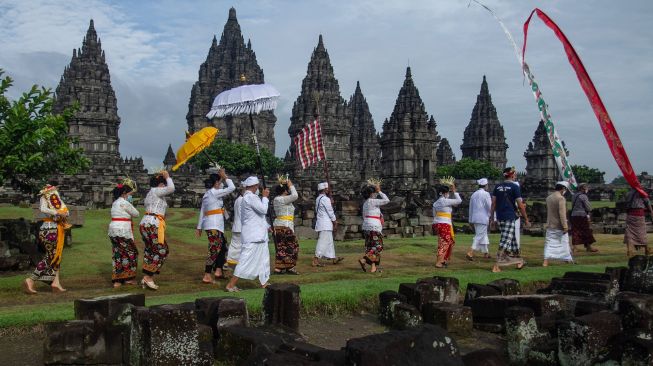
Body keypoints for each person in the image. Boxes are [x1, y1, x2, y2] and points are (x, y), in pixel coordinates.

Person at [225, 176, 271, 292]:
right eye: (257, 186)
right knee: (245, 260)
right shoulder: (251, 197)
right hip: (253, 235)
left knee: (263, 259)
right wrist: (265, 198)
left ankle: (264, 282)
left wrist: (267, 226)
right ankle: (231, 284)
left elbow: (258, 217)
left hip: (258, 234)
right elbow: (263, 210)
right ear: (255, 186)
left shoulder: (249, 197)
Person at [23, 183, 70, 294]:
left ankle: (56, 283)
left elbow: (66, 212)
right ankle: (30, 280)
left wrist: (62, 213)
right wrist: (56, 212)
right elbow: (43, 209)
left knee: (56, 256)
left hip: (57, 228)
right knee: (51, 257)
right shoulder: (44, 197)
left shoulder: (57, 198)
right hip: (49, 229)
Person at [196, 167, 235, 284]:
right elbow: (232, 188)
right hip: (214, 225)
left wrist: (199, 227)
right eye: (219, 182)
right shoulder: (214, 193)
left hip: (215, 225)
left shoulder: (208, 194)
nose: (221, 184)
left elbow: (202, 211)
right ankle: (207, 274)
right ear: (216, 183)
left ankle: (218, 270)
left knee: (223, 247)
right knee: (214, 249)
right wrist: (225, 176)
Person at [139, 170, 174, 290]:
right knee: (162, 250)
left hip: (147, 223)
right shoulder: (156, 190)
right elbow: (171, 188)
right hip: (152, 224)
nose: (164, 186)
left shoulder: (151, 193)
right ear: (160, 184)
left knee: (151, 250)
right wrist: (168, 177)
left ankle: (147, 276)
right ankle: (148, 277)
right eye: (163, 184)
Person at [490, 167, 530, 272]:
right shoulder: (514, 187)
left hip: (499, 216)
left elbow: (493, 204)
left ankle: (519, 260)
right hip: (509, 216)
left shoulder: (497, 187)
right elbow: (521, 205)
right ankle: (497, 264)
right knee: (506, 239)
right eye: (515, 174)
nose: (515, 176)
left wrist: (492, 219)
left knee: (511, 238)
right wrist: (526, 219)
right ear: (512, 175)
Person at [108, 178, 139, 288]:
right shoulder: (125, 203)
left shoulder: (115, 203)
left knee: (117, 254)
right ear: (124, 193)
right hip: (123, 230)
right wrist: (130, 202)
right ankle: (128, 278)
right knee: (131, 253)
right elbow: (136, 214)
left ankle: (117, 280)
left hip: (113, 230)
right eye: (128, 193)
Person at [358, 182, 390, 273]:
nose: (376, 194)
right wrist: (380, 191)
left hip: (367, 226)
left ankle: (373, 267)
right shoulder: (373, 201)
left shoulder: (365, 204)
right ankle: (364, 259)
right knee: (378, 247)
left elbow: (364, 216)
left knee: (370, 247)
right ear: (371, 194)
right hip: (374, 226)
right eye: (375, 192)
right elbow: (387, 200)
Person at [272, 176, 300, 275]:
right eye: (287, 189)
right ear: (284, 190)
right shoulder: (280, 199)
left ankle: (280, 268)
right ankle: (289, 267)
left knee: (282, 247)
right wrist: (290, 185)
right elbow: (295, 195)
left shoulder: (281, 199)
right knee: (292, 246)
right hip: (284, 226)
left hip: (282, 225)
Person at [543, 181, 574, 266]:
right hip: (559, 225)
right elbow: (562, 214)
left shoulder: (548, 198)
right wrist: (565, 226)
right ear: (563, 188)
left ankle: (546, 261)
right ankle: (567, 259)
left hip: (550, 224)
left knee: (549, 243)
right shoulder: (561, 198)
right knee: (564, 243)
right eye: (565, 189)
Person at [432, 183, 462, 268]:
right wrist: (455, 192)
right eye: (447, 192)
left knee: (446, 242)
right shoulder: (445, 201)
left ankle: (443, 260)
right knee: (444, 243)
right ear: (444, 193)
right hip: (444, 224)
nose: (448, 194)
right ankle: (438, 262)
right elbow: (459, 201)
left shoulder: (436, 203)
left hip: (438, 223)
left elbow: (434, 215)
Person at [313, 182, 343, 267]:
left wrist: (330, 201)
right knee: (323, 241)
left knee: (329, 242)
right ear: (325, 189)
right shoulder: (325, 199)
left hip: (322, 222)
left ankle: (334, 258)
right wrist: (334, 221)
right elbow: (330, 211)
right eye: (327, 189)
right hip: (325, 223)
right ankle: (315, 259)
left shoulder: (318, 198)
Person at [466, 178, 492, 261]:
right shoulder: (486, 194)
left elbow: (470, 208)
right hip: (483, 217)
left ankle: (486, 253)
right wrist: (492, 216)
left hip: (475, 217)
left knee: (483, 235)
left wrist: (470, 219)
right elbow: (490, 206)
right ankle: (470, 251)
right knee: (479, 235)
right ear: (486, 185)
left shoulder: (474, 194)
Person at [623, 187, 653, 257]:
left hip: (630, 215)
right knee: (641, 232)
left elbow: (625, 204)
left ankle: (629, 250)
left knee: (629, 232)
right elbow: (648, 203)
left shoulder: (628, 193)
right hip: (639, 215)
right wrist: (651, 212)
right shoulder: (642, 193)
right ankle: (646, 249)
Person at [570, 183, 597, 253]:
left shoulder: (574, 196)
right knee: (586, 230)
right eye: (586, 188)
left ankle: (575, 247)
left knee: (575, 231)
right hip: (582, 215)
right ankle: (588, 246)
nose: (587, 189)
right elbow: (589, 207)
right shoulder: (583, 196)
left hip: (574, 215)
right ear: (582, 189)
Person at [226, 183, 245, 269]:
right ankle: (231, 262)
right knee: (238, 246)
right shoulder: (243, 200)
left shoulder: (238, 199)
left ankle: (231, 262)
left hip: (236, 225)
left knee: (235, 245)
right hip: (241, 226)